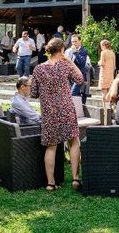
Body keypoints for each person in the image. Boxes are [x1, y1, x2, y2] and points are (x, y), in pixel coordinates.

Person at [30, 38, 84, 192]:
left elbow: (33, 93)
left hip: (49, 111)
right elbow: (80, 79)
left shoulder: (39, 69)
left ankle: (50, 183)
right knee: (74, 141)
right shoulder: (65, 65)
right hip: (66, 109)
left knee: (51, 146)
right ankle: (75, 178)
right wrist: (69, 60)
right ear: (61, 51)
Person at [64, 34, 88, 104]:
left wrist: (75, 52)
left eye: (75, 41)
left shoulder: (84, 50)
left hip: (79, 75)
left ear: (80, 41)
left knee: (72, 93)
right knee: (76, 95)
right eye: (72, 42)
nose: (74, 43)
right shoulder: (68, 51)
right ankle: (78, 111)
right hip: (70, 76)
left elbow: (81, 62)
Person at [97, 39, 115, 112]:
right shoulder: (112, 52)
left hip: (104, 73)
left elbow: (102, 63)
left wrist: (98, 62)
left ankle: (105, 109)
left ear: (104, 45)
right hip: (110, 74)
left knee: (104, 92)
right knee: (109, 92)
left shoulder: (103, 52)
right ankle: (110, 108)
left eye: (101, 45)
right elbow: (114, 66)